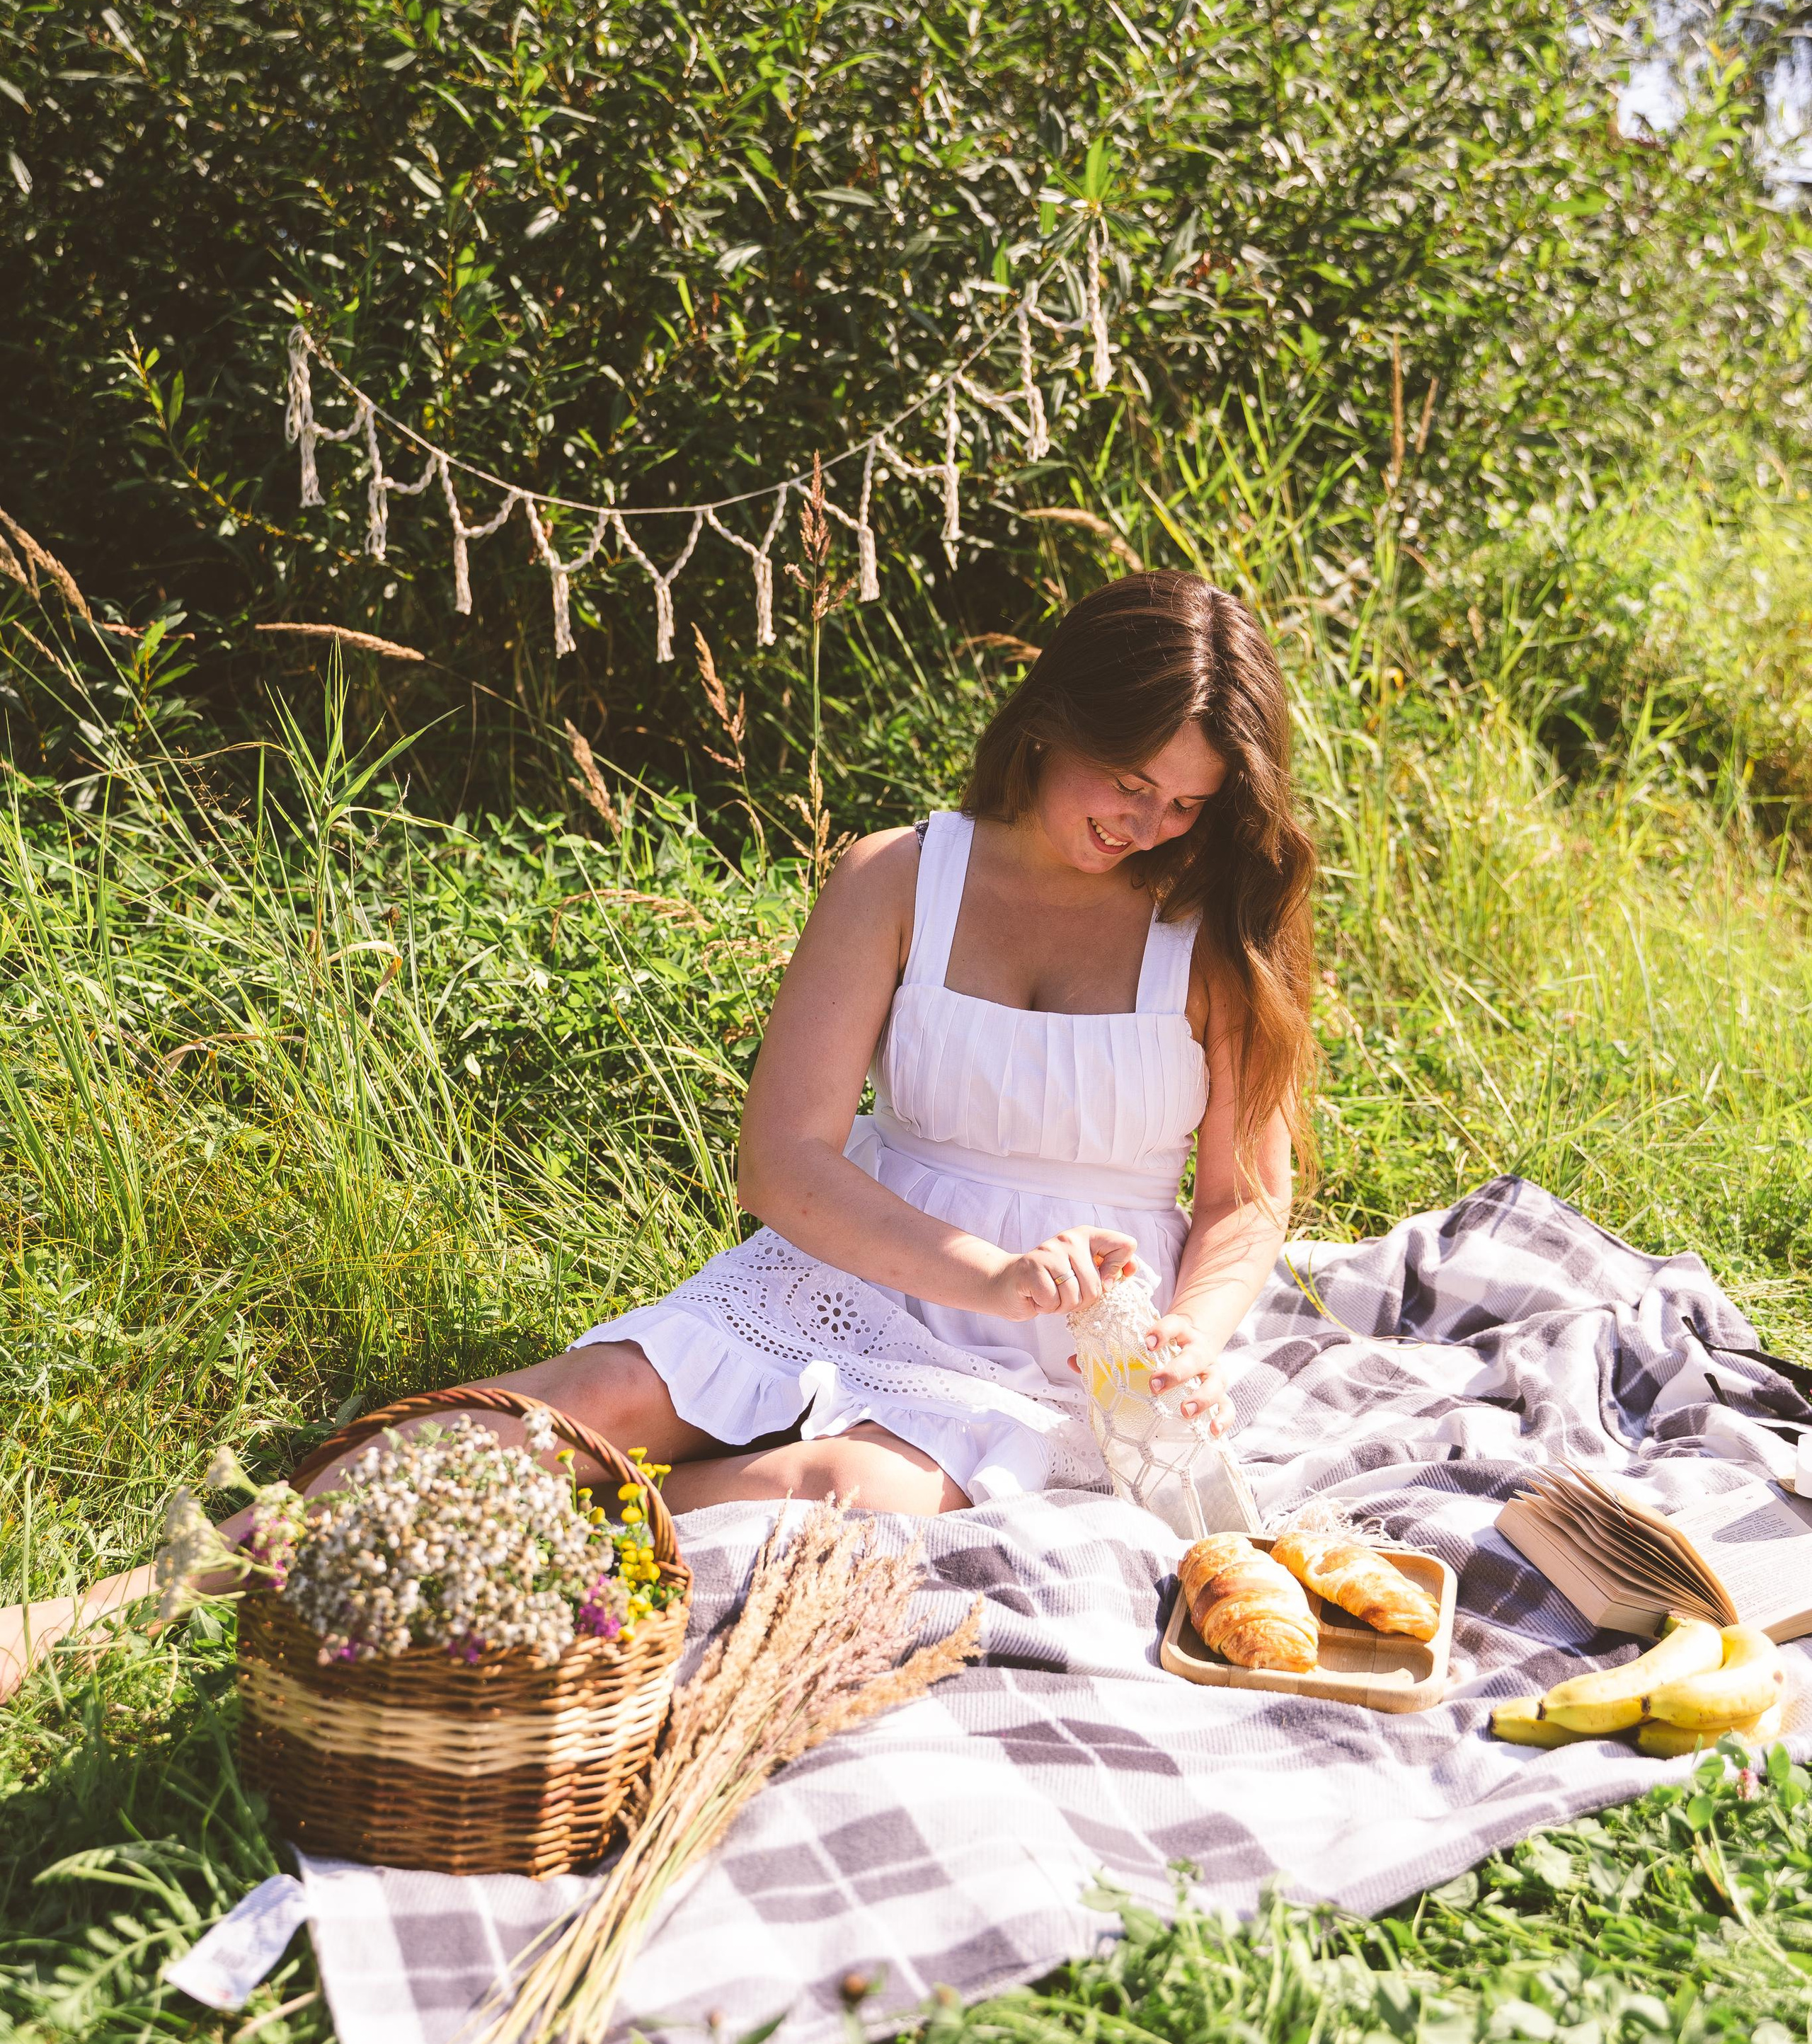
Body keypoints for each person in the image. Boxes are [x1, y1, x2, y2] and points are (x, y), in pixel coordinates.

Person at [0, 573, 1316, 1697]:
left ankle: (436, 1560)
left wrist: (1180, 1342)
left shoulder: (1220, 925)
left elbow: (1248, 1200)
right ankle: (126, 1603)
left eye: (1189, 804)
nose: (1149, 827)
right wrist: (983, 1271)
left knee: (831, 1492)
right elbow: (786, 1160)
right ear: (1046, 725)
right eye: (1131, 783)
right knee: (582, 1402)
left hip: (1082, 1340)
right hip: (870, 1250)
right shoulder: (901, 877)